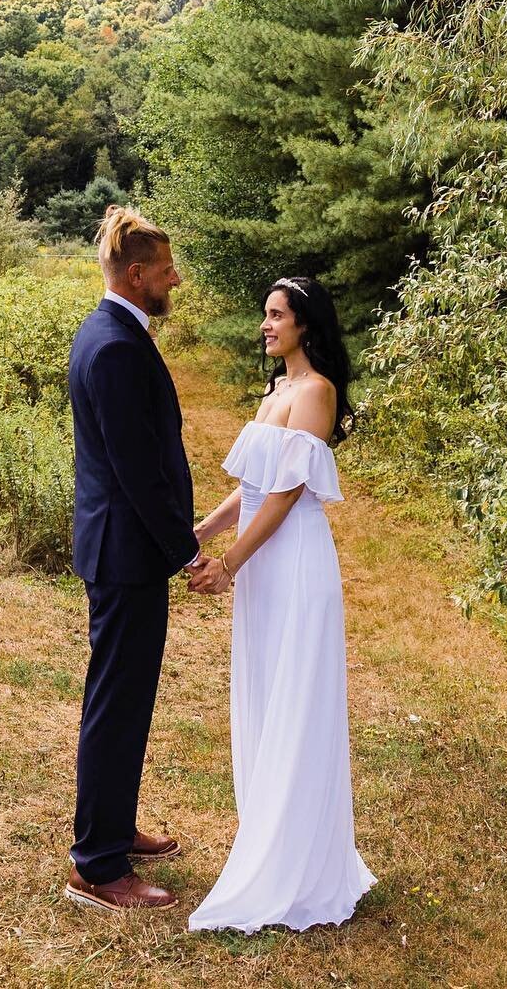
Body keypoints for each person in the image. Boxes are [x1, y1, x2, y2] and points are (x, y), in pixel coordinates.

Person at [187, 274, 376, 933]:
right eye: (264, 315)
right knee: (266, 693)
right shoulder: (276, 391)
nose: (265, 326)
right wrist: (203, 533)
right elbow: (253, 487)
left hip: (293, 564)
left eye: (275, 315)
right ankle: (267, 834)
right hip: (262, 565)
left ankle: (297, 868)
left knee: (296, 696)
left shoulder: (316, 393)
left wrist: (231, 564)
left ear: (304, 324)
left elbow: (289, 493)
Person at [64, 205, 221, 914]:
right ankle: (96, 866)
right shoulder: (117, 346)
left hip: (122, 549)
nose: (175, 280)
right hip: (126, 553)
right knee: (116, 705)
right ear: (136, 275)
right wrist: (186, 548)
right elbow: (135, 469)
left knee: (126, 701)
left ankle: (115, 825)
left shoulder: (108, 332)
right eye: (166, 271)